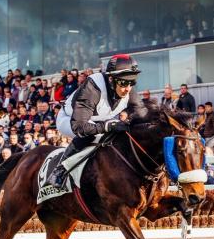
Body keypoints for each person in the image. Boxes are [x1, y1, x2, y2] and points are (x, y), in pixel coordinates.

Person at [46, 54, 146, 188]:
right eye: (123, 82)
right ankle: (60, 170)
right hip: (70, 120)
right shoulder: (93, 87)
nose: (128, 88)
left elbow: (142, 114)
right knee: (93, 135)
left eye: (132, 82)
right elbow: (80, 127)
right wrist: (106, 126)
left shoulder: (127, 89)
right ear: (111, 79)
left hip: (98, 120)